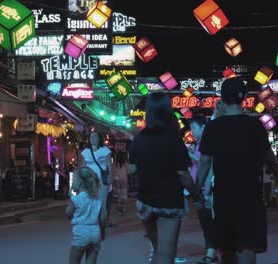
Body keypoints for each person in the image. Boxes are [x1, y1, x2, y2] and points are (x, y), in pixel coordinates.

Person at [195, 78, 278, 264]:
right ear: (244, 98)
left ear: (222, 98)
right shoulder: (255, 125)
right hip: (251, 194)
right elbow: (269, 157)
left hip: (224, 194)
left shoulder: (213, 127)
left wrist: (196, 191)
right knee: (248, 245)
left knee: (227, 247)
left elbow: (203, 163)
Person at [129, 92, 202, 264]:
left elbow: (132, 169)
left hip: (145, 200)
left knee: (156, 251)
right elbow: (183, 173)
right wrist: (196, 195)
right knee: (166, 254)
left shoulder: (139, 138)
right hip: (168, 202)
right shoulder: (174, 138)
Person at [189, 113, 218, 264]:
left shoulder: (207, 145)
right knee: (205, 221)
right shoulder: (199, 144)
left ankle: (211, 253)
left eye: (194, 127)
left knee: (208, 222)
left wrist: (206, 190)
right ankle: (212, 252)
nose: (192, 131)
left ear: (203, 127)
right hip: (200, 189)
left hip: (205, 189)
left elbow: (206, 164)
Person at [65, 166, 104, 264]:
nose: (72, 182)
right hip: (95, 233)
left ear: (80, 183)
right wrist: (102, 233)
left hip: (81, 234)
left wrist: (72, 200)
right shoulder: (97, 199)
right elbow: (103, 218)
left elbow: (68, 213)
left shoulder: (76, 199)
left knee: (74, 261)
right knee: (91, 260)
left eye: (73, 180)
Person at [80, 131, 113, 237]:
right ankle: (91, 229)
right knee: (89, 205)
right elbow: (82, 167)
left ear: (99, 139)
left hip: (102, 181)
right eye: (91, 137)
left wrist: (110, 178)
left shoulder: (105, 150)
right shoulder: (85, 152)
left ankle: (102, 229)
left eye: (95, 137)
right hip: (89, 181)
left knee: (102, 206)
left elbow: (109, 165)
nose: (93, 138)